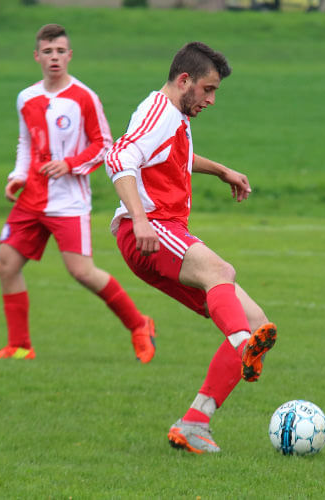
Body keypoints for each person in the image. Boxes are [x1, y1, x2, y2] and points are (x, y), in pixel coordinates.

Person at [105, 41, 277, 454]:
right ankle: (241, 346)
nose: (211, 100)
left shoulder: (172, 118)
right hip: (145, 231)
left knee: (259, 325)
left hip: (159, 233)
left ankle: (194, 423)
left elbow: (171, 155)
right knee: (222, 273)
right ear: (184, 81)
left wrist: (220, 170)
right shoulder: (159, 112)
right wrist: (142, 219)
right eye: (207, 89)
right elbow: (118, 158)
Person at [0, 24, 155, 363]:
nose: (54, 57)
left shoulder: (84, 97)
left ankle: (139, 325)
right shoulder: (26, 97)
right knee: (6, 265)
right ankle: (20, 346)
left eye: (60, 51)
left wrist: (70, 164)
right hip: (31, 198)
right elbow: (26, 142)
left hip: (69, 202)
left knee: (81, 271)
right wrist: (18, 176)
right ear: (37, 56)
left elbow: (104, 146)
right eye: (48, 52)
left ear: (69, 56)